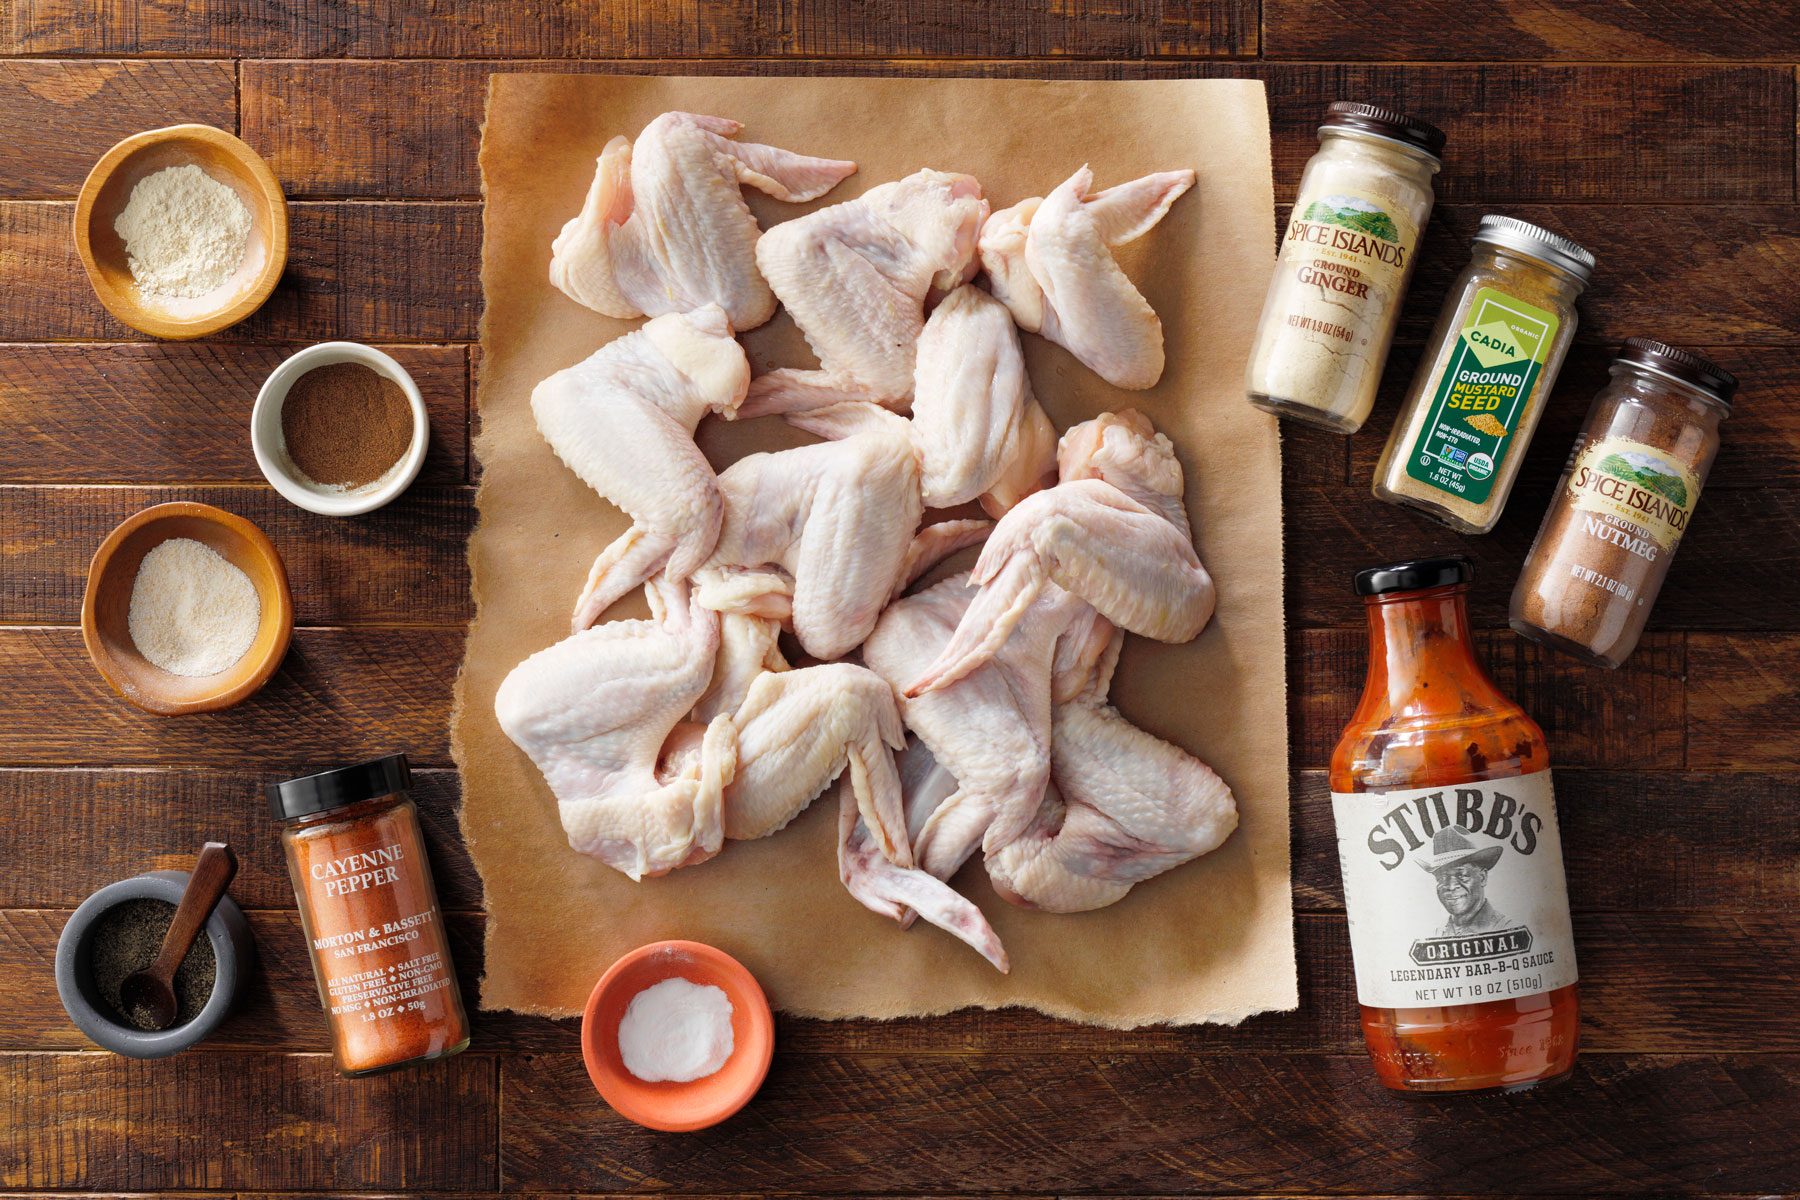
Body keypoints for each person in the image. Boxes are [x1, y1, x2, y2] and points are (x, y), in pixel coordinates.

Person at [1416, 827, 1511, 936]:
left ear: (1482, 877)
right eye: (1442, 877)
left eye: (1461, 875)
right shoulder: (1437, 933)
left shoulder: (1507, 929)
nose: (1451, 886)